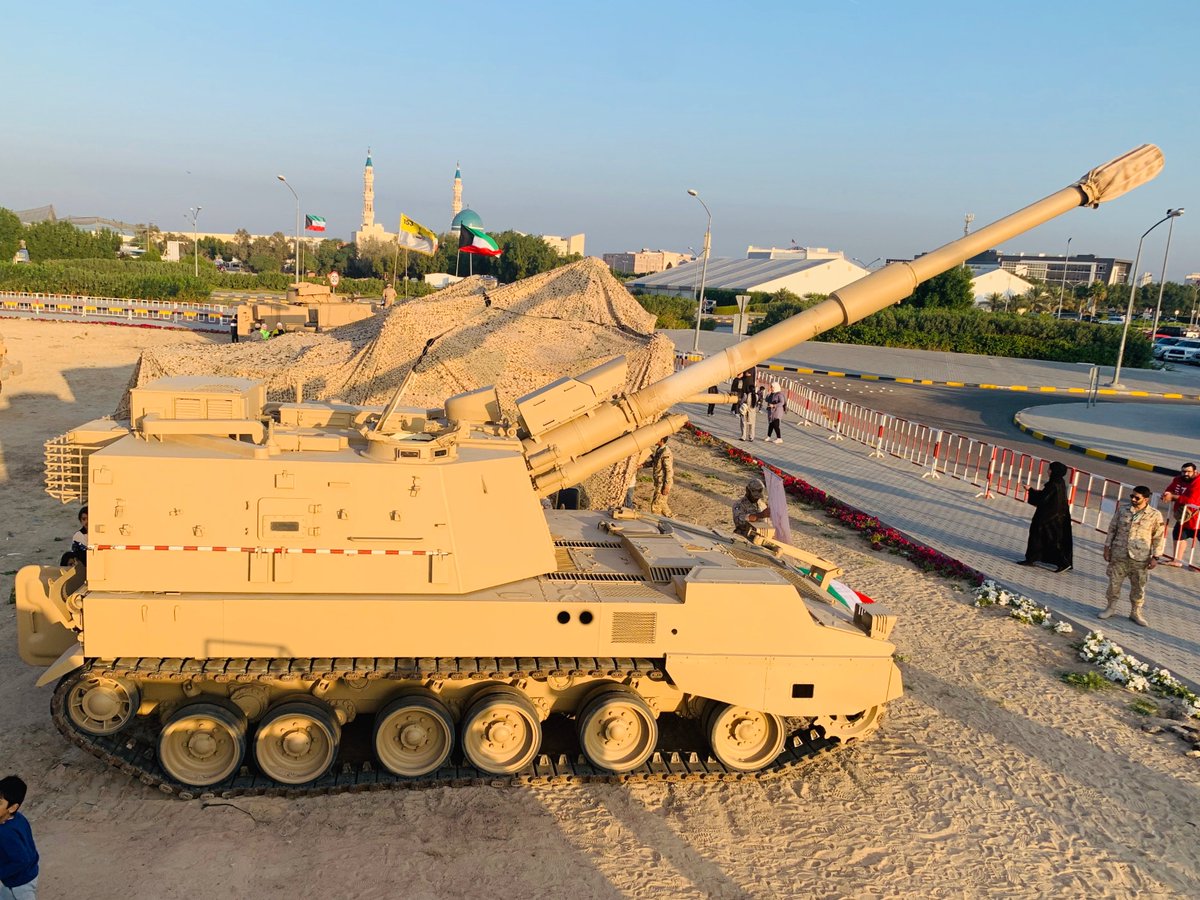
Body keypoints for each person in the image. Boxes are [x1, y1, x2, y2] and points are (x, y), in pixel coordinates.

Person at [1101, 486, 1165, 626]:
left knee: (1138, 587)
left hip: (1140, 557)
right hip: (1120, 554)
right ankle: (1110, 608)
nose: (1133, 499)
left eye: (1137, 498)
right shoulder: (1123, 510)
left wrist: (1156, 557)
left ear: (1146, 499)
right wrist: (1107, 548)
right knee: (1114, 583)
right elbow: (1112, 529)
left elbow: (1159, 537)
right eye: (1132, 496)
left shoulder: (1154, 515)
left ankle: (1136, 612)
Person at [1018, 461, 1074, 572]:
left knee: (1048, 539)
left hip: (1048, 518)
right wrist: (1032, 490)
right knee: (1047, 539)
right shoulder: (1059, 482)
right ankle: (1032, 558)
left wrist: (1030, 490)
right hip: (1056, 516)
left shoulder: (1053, 484)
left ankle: (1063, 563)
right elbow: (1046, 496)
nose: (1048, 471)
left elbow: (1043, 499)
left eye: (1050, 469)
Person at [0, 775, 39, 900]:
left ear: (12, 807)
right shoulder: (18, 818)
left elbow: (22, 860)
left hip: (20, 883)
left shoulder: (5, 833)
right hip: (27, 873)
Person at [1161, 461, 1200, 566]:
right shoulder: (1178, 479)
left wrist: (1173, 497)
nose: (1185, 474)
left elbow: (1192, 501)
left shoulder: (1198, 482)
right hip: (1184, 516)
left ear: (1195, 472)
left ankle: (1195, 567)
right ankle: (1176, 561)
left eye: (1189, 472)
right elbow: (1170, 489)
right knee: (1178, 536)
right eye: (1183, 471)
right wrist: (1167, 494)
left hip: (1197, 518)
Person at [644, 438, 674, 516]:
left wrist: (666, 486)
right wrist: (643, 465)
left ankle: (655, 521)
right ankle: (672, 520)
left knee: (656, 506)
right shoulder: (660, 450)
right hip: (659, 482)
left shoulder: (666, 453)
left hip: (662, 483)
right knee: (662, 504)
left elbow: (669, 471)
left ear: (661, 440)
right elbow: (655, 463)